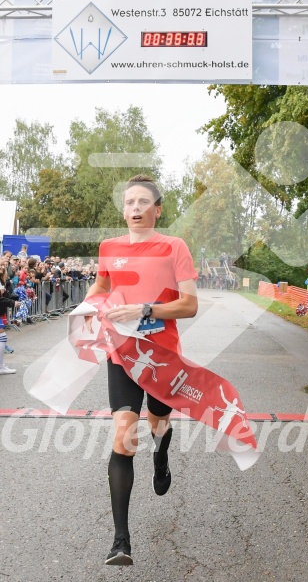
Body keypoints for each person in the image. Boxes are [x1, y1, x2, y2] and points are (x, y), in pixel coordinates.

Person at [84, 174, 198, 566]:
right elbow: (99, 288)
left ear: (157, 209)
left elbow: (189, 305)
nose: (135, 208)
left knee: (158, 421)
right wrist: (92, 306)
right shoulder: (109, 247)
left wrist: (146, 309)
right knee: (123, 435)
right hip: (122, 354)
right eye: (129, 202)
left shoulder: (174, 247)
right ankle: (121, 541)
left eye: (143, 202)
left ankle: (162, 452)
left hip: (162, 355)